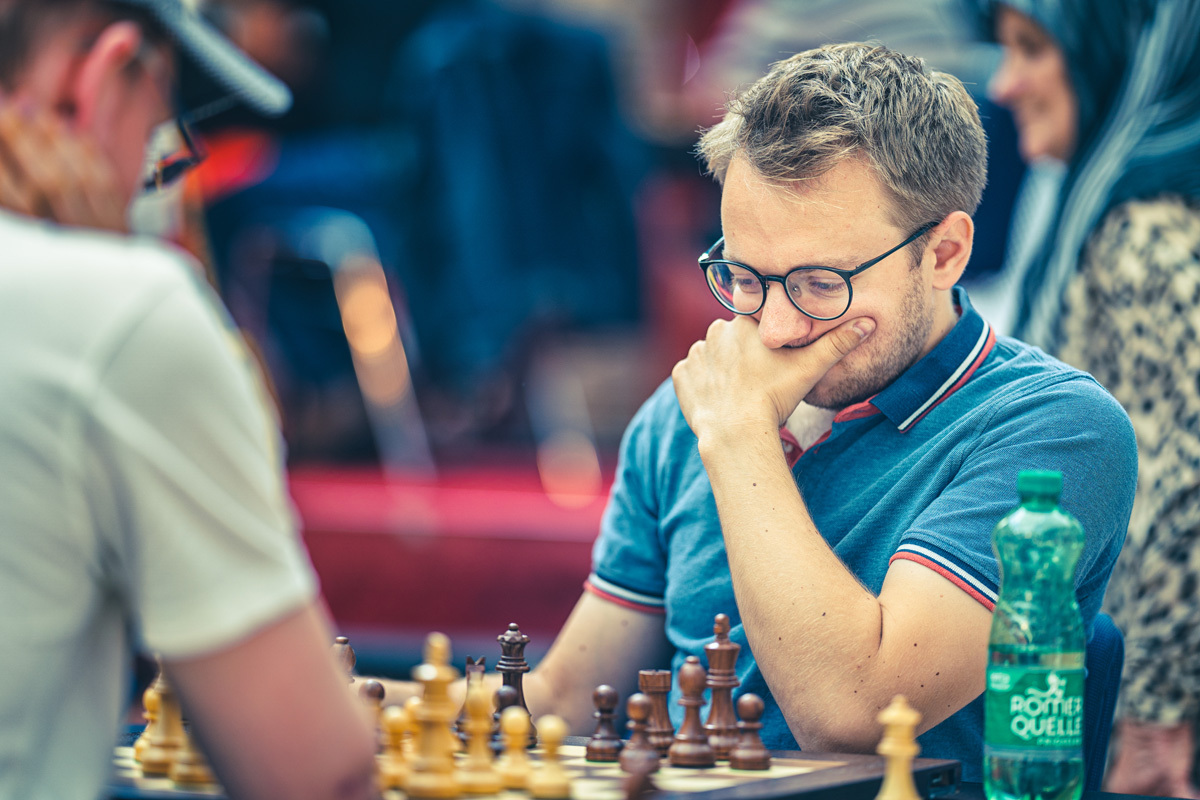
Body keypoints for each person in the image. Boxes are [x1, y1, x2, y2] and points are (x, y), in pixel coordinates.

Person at [373, 42, 1137, 781]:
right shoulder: (686, 416)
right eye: (743, 276)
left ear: (943, 253)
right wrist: (368, 708)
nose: (773, 328)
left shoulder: (1058, 429)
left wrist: (741, 438)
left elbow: (854, 716)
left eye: (819, 284)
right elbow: (569, 700)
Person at [0, 1, 378, 798]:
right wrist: (109, 277)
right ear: (98, 76)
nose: (155, 179)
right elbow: (317, 778)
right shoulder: (123, 311)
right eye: (161, 143)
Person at [986, 0, 1200, 795]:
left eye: (1033, 49)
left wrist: (1152, 714)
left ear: (1115, 55)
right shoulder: (1111, 204)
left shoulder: (1143, 232)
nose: (1004, 84)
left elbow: (1188, 480)